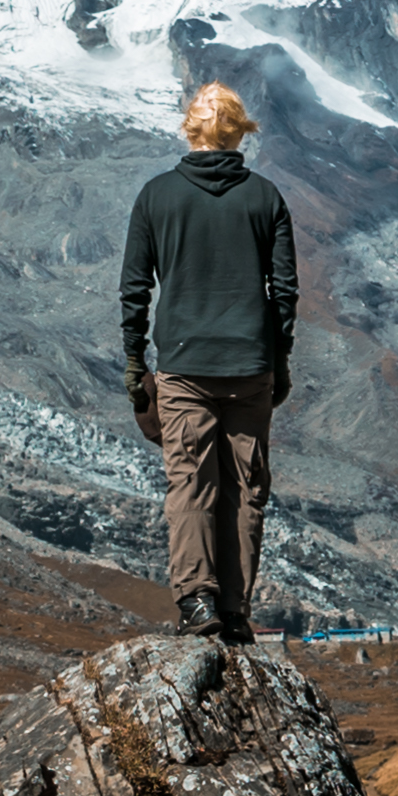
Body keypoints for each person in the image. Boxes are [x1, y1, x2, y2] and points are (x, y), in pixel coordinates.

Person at [118, 80, 298, 643]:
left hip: (183, 367)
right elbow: (285, 292)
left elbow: (134, 289)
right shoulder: (266, 198)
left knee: (189, 484)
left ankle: (198, 601)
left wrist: (133, 360)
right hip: (251, 368)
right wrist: (279, 360)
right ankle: (238, 610)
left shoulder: (156, 196)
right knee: (246, 489)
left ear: (190, 130)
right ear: (240, 133)